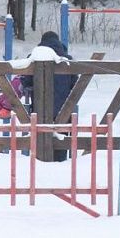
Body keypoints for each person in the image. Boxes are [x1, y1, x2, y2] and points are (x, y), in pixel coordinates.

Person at [22, 31, 78, 162]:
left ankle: (39, 164)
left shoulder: (33, 58)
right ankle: (60, 163)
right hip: (63, 110)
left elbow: (26, 82)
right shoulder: (67, 60)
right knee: (61, 140)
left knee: (38, 141)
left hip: (39, 110)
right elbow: (75, 85)